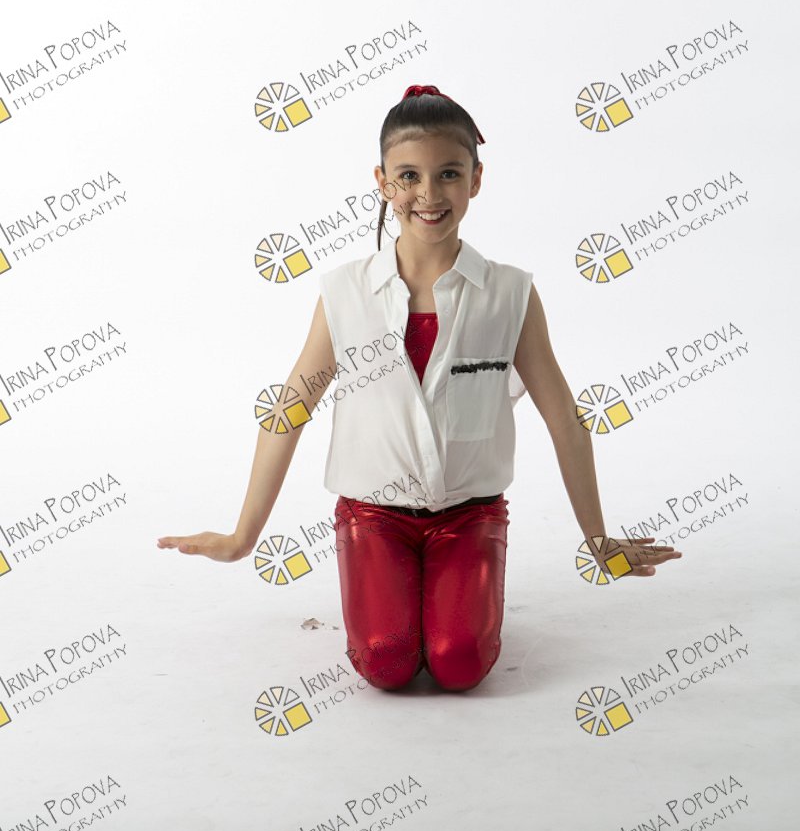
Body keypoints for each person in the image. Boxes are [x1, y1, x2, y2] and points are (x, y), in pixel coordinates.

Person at [157, 83, 681, 692]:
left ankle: (454, 601)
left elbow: (564, 417)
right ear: (382, 182)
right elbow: (290, 409)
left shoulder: (509, 294)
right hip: (373, 516)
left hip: (470, 514)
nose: (428, 195)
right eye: (409, 176)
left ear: (476, 180)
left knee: (459, 664)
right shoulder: (345, 292)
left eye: (448, 174)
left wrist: (598, 539)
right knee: (386, 661)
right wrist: (242, 536)